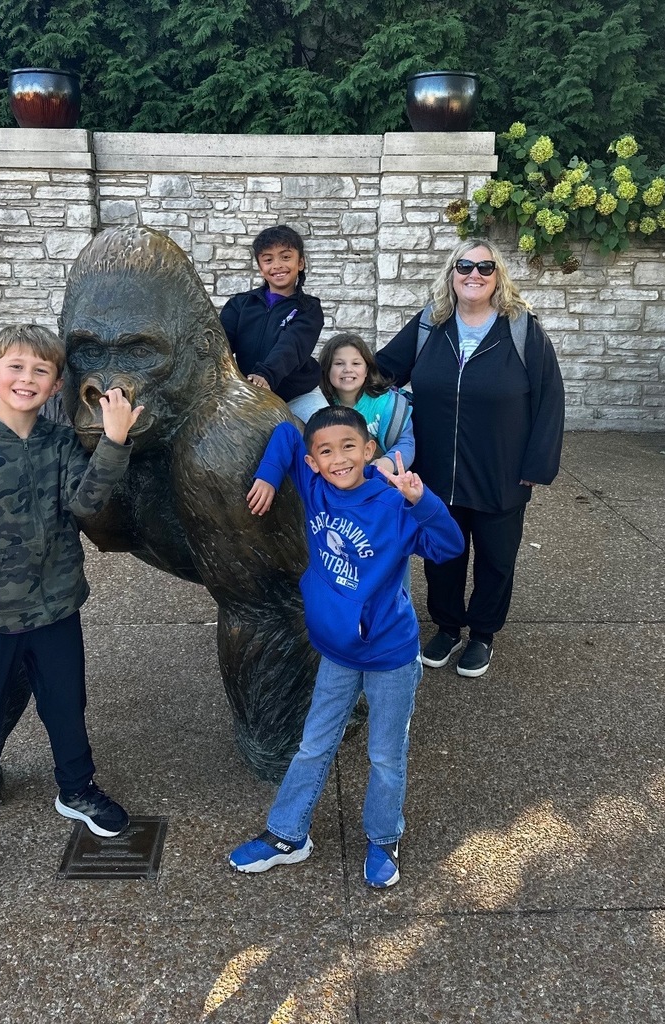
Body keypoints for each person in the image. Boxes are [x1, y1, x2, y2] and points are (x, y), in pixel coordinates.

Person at [0, 323, 143, 904]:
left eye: (40, 371)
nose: (27, 379)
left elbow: (85, 505)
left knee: (66, 704)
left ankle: (76, 789)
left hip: (53, 610)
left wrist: (115, 442)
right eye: (16, 367)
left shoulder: (59, 445)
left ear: (54, 388)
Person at [228, 406, 463, 888]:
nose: (338, 458)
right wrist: (270, 476)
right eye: (326, 451)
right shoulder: (313, 486)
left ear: (370, 450)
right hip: (336, 651)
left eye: (349, 447)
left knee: (385, 753)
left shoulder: (394, 505)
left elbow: (449, 547)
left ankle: (383, 838)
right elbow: (286, 434)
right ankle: (288, 835)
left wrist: (423, 502)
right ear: (313, 462)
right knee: (313, 744)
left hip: (390, 656)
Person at [376, 237, 565, 679]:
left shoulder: (521, 330)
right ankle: (446, 626)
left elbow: (550, 399)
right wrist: (329, 381)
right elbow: (380, 371)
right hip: (437, 472)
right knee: (443, 555)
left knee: (497, 558)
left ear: (497, 277)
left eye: (484, 268)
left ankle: (482, 634)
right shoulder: (429, 325)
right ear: (451, 275)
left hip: (502, 471)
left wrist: (536, 466)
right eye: (464, 266)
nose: (473, 275)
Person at [219, 224, 328, 421]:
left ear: (300, 263)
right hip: (250, 394)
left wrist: (266, 375)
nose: (277, 265)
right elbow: (218, 343)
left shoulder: (309, 308)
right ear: (261, 268)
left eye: (285, 257)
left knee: (327, 429)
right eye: (268, 260)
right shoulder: (240, 304)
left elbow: (291, 345)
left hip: (299, 396)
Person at [318, 332, 416, 476]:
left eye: (356, 363)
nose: (348, 369)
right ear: (326, 370)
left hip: (376, 479)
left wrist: (388, 463)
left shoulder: (388, 404)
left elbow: (406, 443)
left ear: (367, 370)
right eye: (339, 363)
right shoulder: (318, 404)